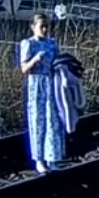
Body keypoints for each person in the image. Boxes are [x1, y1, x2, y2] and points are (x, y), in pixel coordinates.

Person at [18, 11, 65, 174]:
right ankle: (39, 159)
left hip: (51, 83)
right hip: (36, 84)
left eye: (47, 26)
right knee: (38, 120)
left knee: (53, 120)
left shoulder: (52, 43)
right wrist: (34, 60)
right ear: (33, 27)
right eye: (42, 26)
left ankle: (52, 157)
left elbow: (58, 62)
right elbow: (23, 68)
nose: (45, 30)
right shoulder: (28, 44)